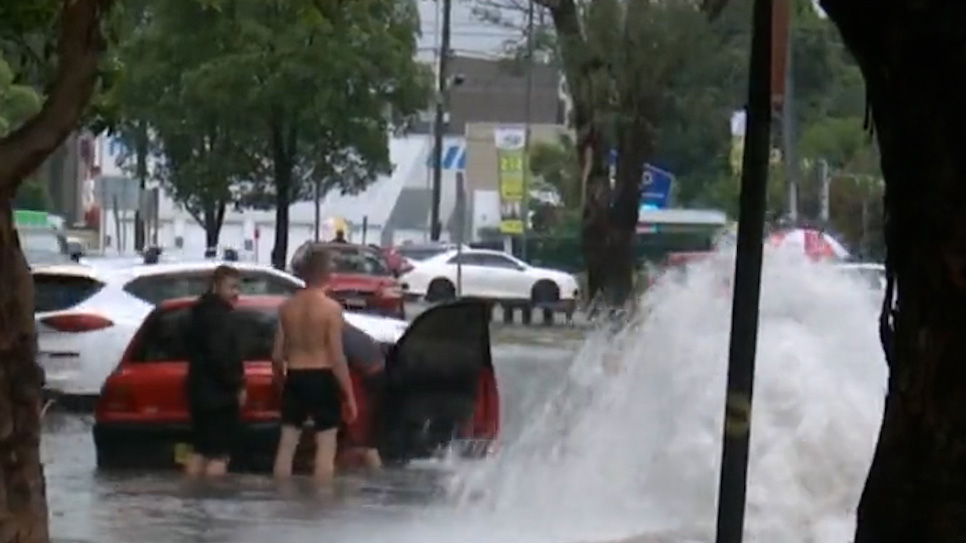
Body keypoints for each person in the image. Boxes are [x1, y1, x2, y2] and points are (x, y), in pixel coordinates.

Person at [271, 246, 357, 480]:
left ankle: (280, 499)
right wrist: (349, 396)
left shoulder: (286, 308)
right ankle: (320, 506)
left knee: (287, 445)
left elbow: (277, 356)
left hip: (295, 376)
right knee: (326, 445)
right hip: (322, 377)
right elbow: (337, 357)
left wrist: (281, 383)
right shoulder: (331, 309)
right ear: (326, 274)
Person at [184, 265, 245, 478]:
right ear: (216, 287)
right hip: (219, 395)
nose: (236, 293)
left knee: (200, 450)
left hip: (198, 391)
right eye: (232, 287)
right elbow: (220, 356)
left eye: (238, 287)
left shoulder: (198, 311)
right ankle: (213, 498)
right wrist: (237, 384)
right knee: (219, 454)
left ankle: (192, 496)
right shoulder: (220, 316)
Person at [338, 323, 386, 470]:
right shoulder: (355, 334)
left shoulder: (340, 337)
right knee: (362, 441)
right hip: (374, 381)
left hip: (364, 384)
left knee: (359, 442)